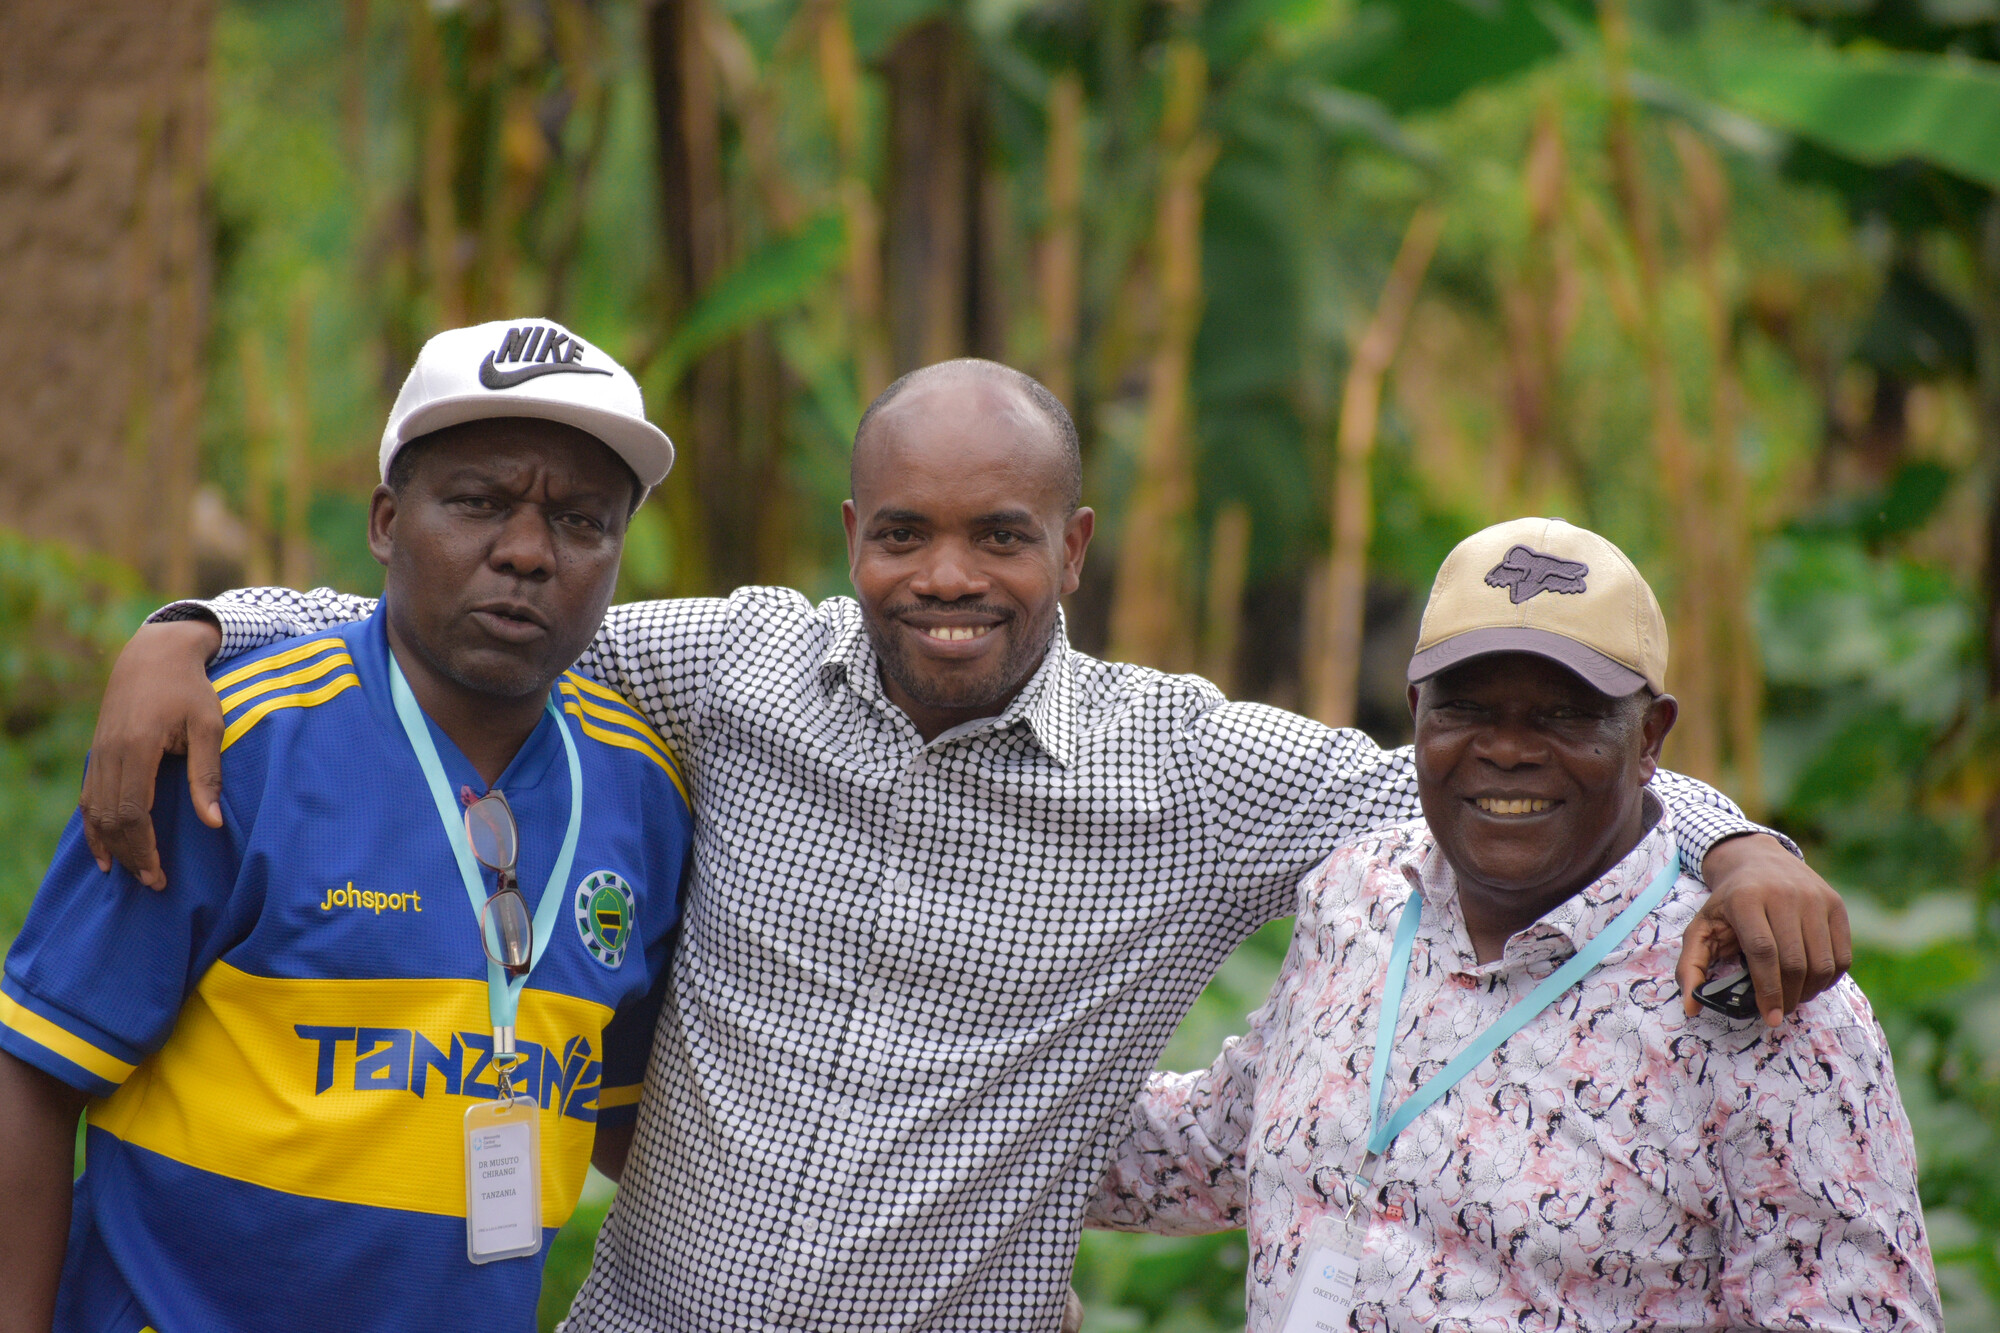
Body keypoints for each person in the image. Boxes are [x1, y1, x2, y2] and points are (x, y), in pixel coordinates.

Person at [79, 360, 1850, 1332]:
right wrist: (195, 621)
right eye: (908, 532)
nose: (950, 576)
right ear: (853, 534)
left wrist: (1735, 835)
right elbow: (455, 612)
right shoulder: (735, 662)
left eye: (1000, 535)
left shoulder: (1197, 770)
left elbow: (1482, 771)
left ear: (1071, 546)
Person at [0, 320, 694, 1333]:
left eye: (582, 522)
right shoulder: (231, 744)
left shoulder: (639, 791)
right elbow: (34, 1068)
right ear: (384, 521)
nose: (527, 552)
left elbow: (625, 1111)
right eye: (478, 502)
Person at [1087, 517, 1940, 1332]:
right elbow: (1216, 1143)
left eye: (1562, 715)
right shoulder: (1357, 895)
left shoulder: (1760, 999)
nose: (1506, 748)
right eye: (1466, 708)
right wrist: (986, 1116)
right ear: (1416, 709)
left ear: (1650, 735)